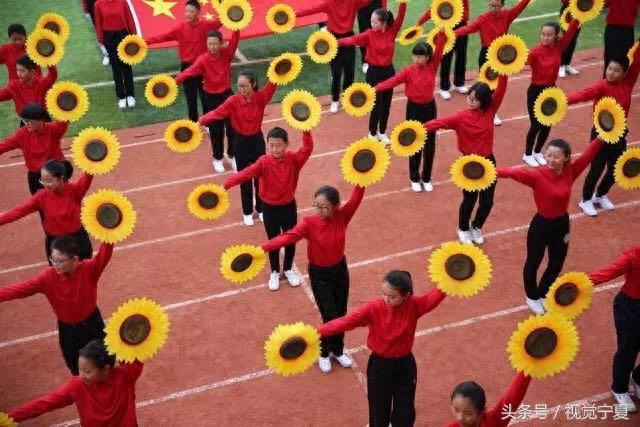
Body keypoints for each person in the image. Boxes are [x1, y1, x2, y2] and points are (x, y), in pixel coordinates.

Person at [318, 270, 446, 426]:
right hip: (379, 366)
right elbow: (346, 322)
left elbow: (438, 294)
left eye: (392, 297)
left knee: (405, 413)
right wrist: (316, 332)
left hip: (405, 366)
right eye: (383, 294)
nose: (386, 299)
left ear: (406, 295)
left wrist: (455, 277)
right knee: (379, 411)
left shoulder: (414, 305)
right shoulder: (373, 308)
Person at [261, 184, 365, 373]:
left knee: (341, 314)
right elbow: (289, 237)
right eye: (316, 205)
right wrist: (264, 248)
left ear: (335, 206)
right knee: (330, 315)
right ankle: (324, 353)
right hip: (319, 274)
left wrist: (363, 172)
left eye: (324, 207)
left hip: (340, 271)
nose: (319, 210)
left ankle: (338, 350)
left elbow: (357, 195)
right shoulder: (309, 222)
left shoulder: (343, 215)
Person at [497, 138, 604, 314]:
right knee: (533, 262)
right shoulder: (537, 175)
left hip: (561, 225)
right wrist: (487, 171)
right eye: (548, 155)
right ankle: (532, 296)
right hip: (541, 226)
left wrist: (601, 137)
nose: (551, 159)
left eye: (556, 156)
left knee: (556, 263)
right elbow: (511, 173)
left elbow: (587, 156)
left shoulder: (571, 171)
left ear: (566, 158)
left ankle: (543, 292)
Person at [0, 237, 113, 375]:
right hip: (69, 332)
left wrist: (110, 232)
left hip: (92, 325)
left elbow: (104, 255)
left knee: (106, 361)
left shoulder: (89, 269)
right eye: (52, 259)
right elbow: (20, 290)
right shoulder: (47, 277)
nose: (55, 264)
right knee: (77, 369)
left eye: (59, 261)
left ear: (75, 260)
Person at [224, 128, 313, 290]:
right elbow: (245, 174)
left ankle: (287, 269)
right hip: (269, 209)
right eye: (271, 145)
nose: (275, 149)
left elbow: (307, 149)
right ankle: (274, 271)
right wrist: (226, 185)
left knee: (290, 239)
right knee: (272, 241)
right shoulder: (263, 162)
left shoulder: (294, 159)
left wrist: (306, 132)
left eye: (278, 145)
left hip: (288, 207)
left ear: (287, 144)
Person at [424, 75, 508, 245]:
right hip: (468, 164)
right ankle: (463, 228)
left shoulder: (490, 111)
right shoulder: (460, 117)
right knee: (469, 199)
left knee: (487, 201)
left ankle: (476, 225)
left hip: (488, 162)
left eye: (475, 100)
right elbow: (438, 123)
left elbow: (502, 88)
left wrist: (504, 69)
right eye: (469, 97)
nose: (470, 101)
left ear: (484, 102)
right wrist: (417, 129)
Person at [567, 46, 640, 217]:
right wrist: (564, 100)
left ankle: (600, 195)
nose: (611, 72)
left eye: (616, 70)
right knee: (596, 168)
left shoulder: (629, 82)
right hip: (600, 135)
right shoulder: (602, 85)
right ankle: (585, 200)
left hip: (619, 134)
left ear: (624, 73)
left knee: (616, 169)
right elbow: (583, 95)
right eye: (609, 68)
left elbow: (636, 62)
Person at [199, 71, 277, 226]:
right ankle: (247, 212)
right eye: (239, 86)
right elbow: (217, 113)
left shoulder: (261, 97)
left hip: (257, 141)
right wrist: (201, 120)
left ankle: (261, 210)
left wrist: (278, 66)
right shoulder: (233, 101)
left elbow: (273, 82)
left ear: (253, 85)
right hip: (240, 143)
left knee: (260, 178)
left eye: (245, 85)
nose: (241, 88)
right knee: (244, 178)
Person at [9, 340, 143, 426]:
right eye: (80, 369)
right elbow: (46, 403)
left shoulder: (126, 375)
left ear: (106, 369)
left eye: (87, 371)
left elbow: (135, 345)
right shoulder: (77, 384)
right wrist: (10, 417)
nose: (81, 375)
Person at [374, 35, 445, 193]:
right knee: (413, 143)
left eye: (420, 56)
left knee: (430, 144)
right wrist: (376, 88)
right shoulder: (408, 71)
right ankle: (414, 177)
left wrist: (443, 26)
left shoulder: (433, 65)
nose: (416, 58)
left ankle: (426, 178)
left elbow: (441, 44)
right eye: (415, 55)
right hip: (413, 109)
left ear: (428, 57)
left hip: (430, 109)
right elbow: (392, 81)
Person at [455, 0, 532, 126]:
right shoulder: (483, 18)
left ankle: (492, 111)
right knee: (484, 84)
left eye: (496, 6)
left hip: (502, 55)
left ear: (502, 6)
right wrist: (453, 33)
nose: (493, 8)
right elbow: (469, 28)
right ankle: (481, 108)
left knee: (497, 84)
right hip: (487, 54)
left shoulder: (507, 15)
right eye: (491, 5)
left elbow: (520, 7)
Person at [0, 159, 94, 262]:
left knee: (84, 273)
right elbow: (18, 212)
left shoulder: (75, 190)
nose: (44, 184)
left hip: (78, 240)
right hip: (56, 244)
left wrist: (93, 156)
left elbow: (89, 174)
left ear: (61, 179)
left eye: (49, 181)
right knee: (60, 277)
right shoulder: (41, 197)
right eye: (42, 180)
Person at [339, 2, 406, 144]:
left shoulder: (392, 31)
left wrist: (403, 3)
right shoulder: (369, 34)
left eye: (374, 22)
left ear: (383, 23)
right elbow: (352, 40)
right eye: (371, 21)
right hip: (373, 73)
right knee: (377, 106)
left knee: (387, 105)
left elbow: (400, 17)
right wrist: (336, 42)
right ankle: (372, 133)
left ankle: (382, 132)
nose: (371, 24)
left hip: (388, 72)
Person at [146, 0, 222, 123]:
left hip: (204, 68)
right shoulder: (179, 28)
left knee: (206, 97)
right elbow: (163, 37)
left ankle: (207, 123)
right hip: (187, 68)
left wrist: (225, 6)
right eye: (186, 11)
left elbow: (221, 21)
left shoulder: (206, 25)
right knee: (190, 99)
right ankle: (193, 124)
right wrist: (146, 42)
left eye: (191, 11)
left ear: (198, 12)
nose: (188, 14)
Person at [176, 29, 238, 173]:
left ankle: (232, 155)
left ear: (221, 44)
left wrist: (237, 26)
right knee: (216, 130)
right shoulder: (203, 59)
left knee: (233, 128)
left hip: (228, 95)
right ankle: (217, 158)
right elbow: (190, 71)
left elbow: (235, 40)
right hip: (211, 97)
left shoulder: (227, 54)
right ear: (206, 44)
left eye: (215, 44)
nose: (212, 47)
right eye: (210, 44)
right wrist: (175, 81)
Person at [589, 245, 640, 413]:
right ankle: (619, 388)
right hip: (630, 309)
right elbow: (608, 272)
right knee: (627, 350)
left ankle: (638, 378)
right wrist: (579, 282)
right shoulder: (633, 256)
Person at [297, 0, 373, 114]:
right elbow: (311, 10)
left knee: (349, 72)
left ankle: (347, 98)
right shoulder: (329, 3)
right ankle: (335, 100)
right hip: (333, 40)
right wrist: (293, 14)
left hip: (349, 39)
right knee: (335, 72)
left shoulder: (353, 2)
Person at [523, 19, 579, 167]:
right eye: (543, 34)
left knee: (547, 125)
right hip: (535, 91)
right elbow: (517, 61)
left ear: (556, 36)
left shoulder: (559, 47)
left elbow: (572, 30)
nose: (545, 37)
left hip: (551, 92)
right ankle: (527, 154)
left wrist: (580, 12)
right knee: (535, 125)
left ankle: (537, 152)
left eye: (549, 35)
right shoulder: (534, 52)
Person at [0, 103, 66, 195]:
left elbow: (66, 111)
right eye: (24, 121)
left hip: (55, 175)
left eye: (30, 122)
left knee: (61, 202)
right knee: (42, 206)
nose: (26, 124)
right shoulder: (21, 134)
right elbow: (3, 146)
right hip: (35, 177)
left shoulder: (54, 129)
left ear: (41, 120)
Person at [417, 0, 470, 100]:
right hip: (446, 27)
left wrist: (459, 18)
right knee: (446, 57)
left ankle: (459, 83)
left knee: (461, 56)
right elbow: (432, 10)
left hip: (462, 26)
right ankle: (444, 87)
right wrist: (419, 23)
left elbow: (466, 11)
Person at [446, 372, 532, 427]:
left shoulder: (494, 420)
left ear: (481, 411)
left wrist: (529, 365)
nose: (460, 418)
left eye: (467, 413)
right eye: (456, 409)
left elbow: (512, 397)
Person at [94, 0, 137, 108]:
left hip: (123, 35)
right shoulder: (98, 4)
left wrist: (134, 37)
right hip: (109, 37)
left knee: (126, 66)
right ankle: (121, 96)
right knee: (116, 67)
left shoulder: (122, 2)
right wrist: (101, 42)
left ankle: (130, 95)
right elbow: (99, 24)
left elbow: (129, 19)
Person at [0, 54, 56, 124]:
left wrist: (48, 59)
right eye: (17, 70)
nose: (19, 74)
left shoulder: (42, 84)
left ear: (32, 71)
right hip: (26, 123)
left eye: (22, 71)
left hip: (43, 122)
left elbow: (52, 76)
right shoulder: (14, 86)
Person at [602, 0, 640, 76]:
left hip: (627, 29)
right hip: (613, 28)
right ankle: (606, 83)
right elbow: (604, 4)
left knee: (626, 58)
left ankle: (621, 83)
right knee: (610, 57)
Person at [356, 0, 387, 74]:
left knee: (379, 31)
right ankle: (365, 61)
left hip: (377, 4)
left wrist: (384, 5)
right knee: (364, 33)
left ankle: (379, 58)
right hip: (362, 5)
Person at [82, 0, 111, 65]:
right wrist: (86, 9)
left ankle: (120, 50)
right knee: (100, 29)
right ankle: (107, 54)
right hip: (93, 4)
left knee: (113, 23)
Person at [558, 0, 581, 78]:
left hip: (579, 10)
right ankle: (560, 65)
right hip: (567, 11)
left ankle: (567, 64)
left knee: (573, 39)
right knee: (566, 39)